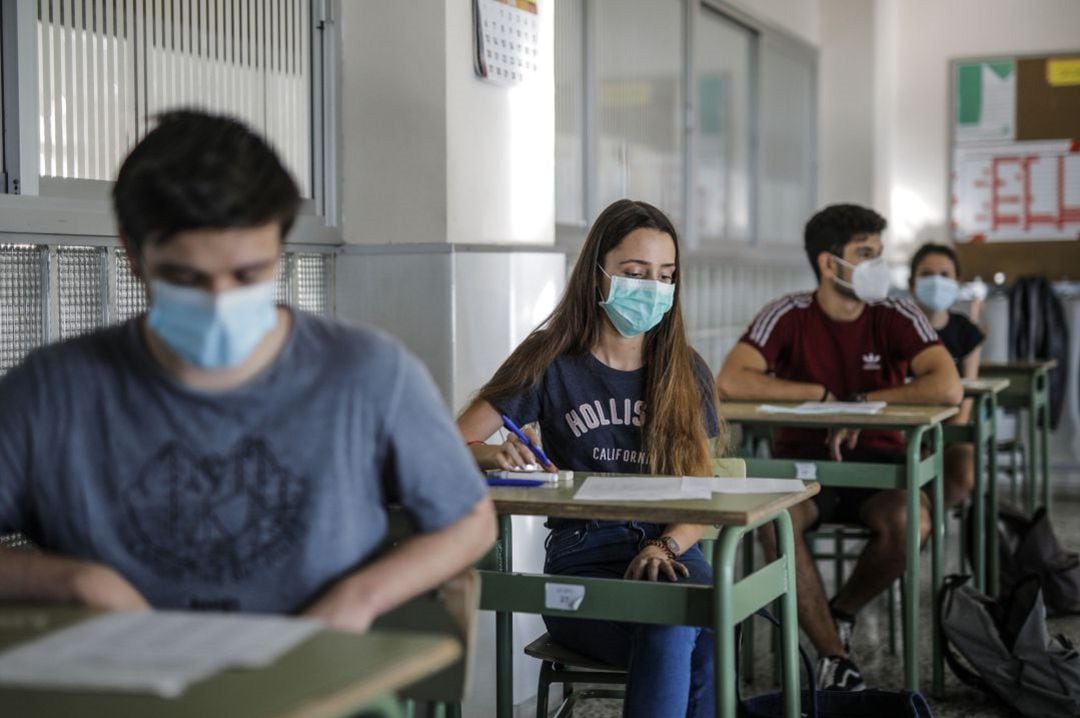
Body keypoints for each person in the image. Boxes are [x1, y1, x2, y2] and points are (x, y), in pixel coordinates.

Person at [0, 110, 496, 631]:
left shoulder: (368, 376)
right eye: (184, 278)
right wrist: (76, 583)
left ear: (279, 250)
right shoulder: (53, 390)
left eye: (248, 274)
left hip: (323, 691)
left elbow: (468, 519)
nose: (219, 301)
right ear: (131, 253)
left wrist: (360, 597)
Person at [457, 199, 723, 718]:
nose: (652, 288)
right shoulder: (549, 358)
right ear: (598, 274)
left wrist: (664, 545)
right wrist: (494, 454)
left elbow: (701, 491)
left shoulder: (685, 369)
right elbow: (449, 444)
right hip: (583, 556)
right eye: (635, 273)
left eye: (665, 276)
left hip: (672, 552)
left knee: (689, 616)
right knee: (684, 630)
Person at [716, 204, 962, 691]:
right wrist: (822, 396)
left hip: (883, 461)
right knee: (776, 518)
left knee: (911, 521)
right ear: (830, 264)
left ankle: (839, 612)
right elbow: (730, 379)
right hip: (805, 468)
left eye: (879, 253)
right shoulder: (788, 315)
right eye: (864, 253)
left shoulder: (895, 313)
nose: (878, 265)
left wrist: (860, 404)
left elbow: (948, 385)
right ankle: (833, 656)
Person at [909, 242, 986, 508]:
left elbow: (967, 396)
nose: (936, 281)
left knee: (964, 473)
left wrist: (941, 438)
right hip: (904, 429)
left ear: (957, 281)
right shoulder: (898, 328)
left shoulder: (967, 332)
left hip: (951, 430)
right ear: (912, 282)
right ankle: (916, 525)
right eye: (927, 274)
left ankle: (929, 518)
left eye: (944, 275)